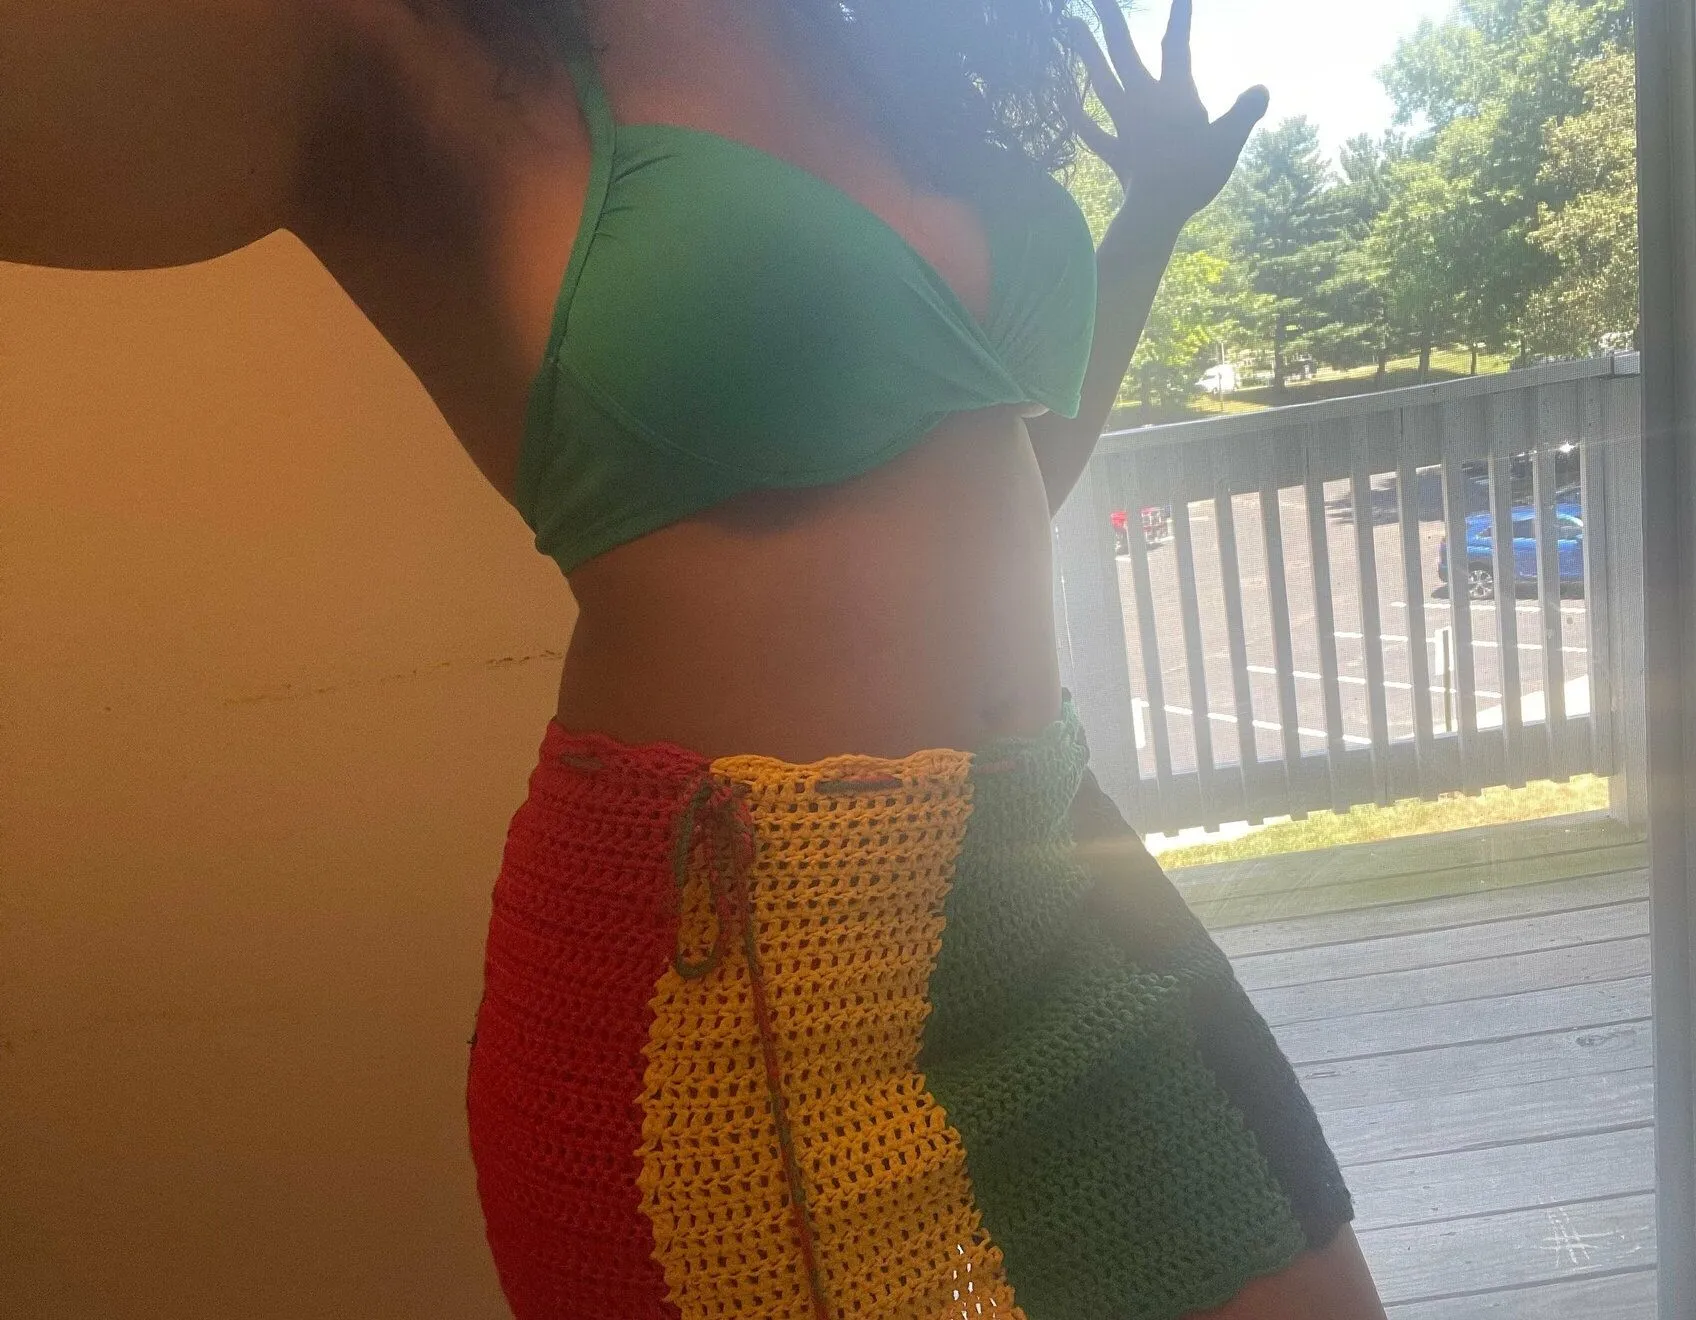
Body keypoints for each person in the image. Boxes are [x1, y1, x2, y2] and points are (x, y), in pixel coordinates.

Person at [7, 2, 1386, 1316]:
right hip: (733, 1006)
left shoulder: (862, 44)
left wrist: (1148, 218)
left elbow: (997, 481)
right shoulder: (423, 55)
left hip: (1055, 886)